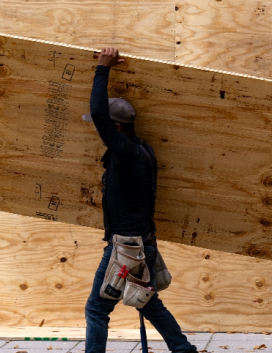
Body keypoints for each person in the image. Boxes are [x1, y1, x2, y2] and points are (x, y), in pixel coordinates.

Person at [82, 48, 198, 353]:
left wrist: (102, 69)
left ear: (117, 129)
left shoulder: (128, 152)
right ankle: (183, 350)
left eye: (106, 128)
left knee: (97, 309)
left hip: (126, 247)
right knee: (148, 303)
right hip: (140, 242)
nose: (98, 130)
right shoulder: (141, 151)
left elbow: (97, 113)